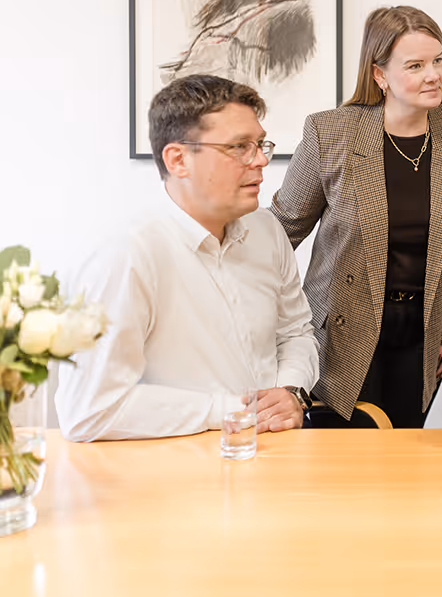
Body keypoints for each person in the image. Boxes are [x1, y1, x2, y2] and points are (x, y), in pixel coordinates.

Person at [269, 6, 442, 428]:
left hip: (422, 337)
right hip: (338, 335)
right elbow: (279, 233)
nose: (434, 75)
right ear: (380, 75)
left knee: (403, 466)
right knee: (336, 466)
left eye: (438, 59)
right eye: (415, 65)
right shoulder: (331, 133)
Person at [56, 75, 319, 441]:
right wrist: (231, 410)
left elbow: (295, 333)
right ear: (178, 159)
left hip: (274, 457)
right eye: (239, 146)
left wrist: (291, 392)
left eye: (260, 144)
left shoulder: (267, 231)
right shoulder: (125, 254)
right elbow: (89, 410)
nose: (260, 160)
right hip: (174, 470)